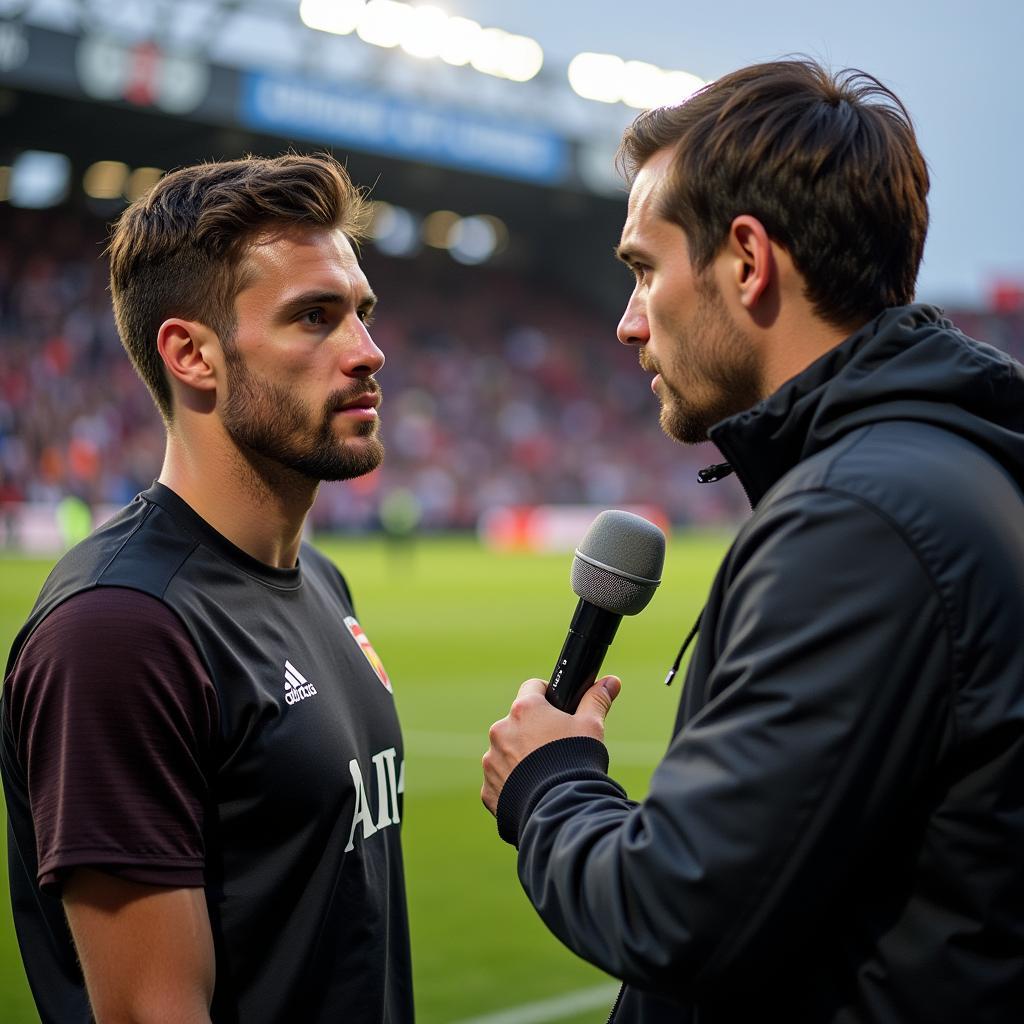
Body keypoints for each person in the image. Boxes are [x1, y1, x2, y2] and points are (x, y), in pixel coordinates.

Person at [482, 59, 1024, 1023]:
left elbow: (677, 913)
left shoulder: (864, 519)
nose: (626, 323)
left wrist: (549, 780)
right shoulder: (945, 472)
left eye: (645, 270)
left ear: (746, 259)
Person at [1, 154, 413, 1023]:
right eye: (315, 318)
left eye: (362, 315)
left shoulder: (320, 580)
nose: (368, 352)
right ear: (193, 354)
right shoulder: (120, 632)